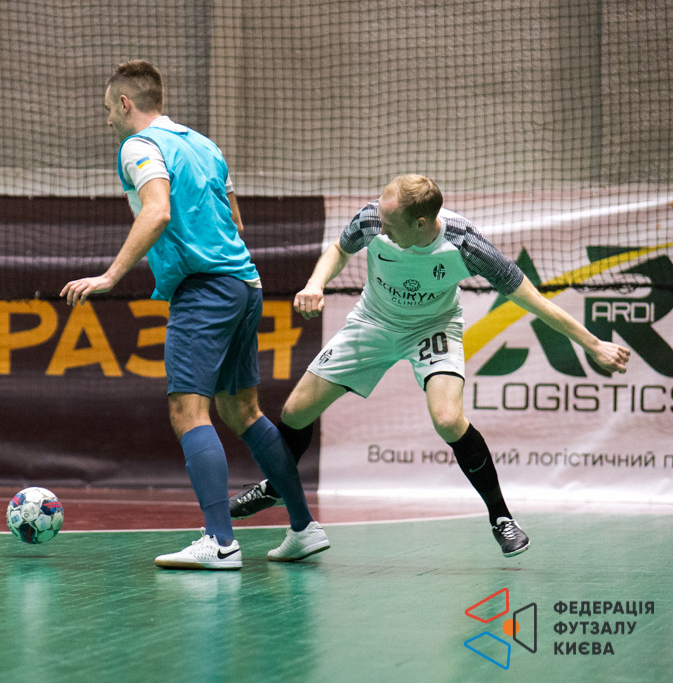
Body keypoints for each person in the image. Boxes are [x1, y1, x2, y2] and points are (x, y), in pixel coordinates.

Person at [230, 174, 632, 557]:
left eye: (390, 223)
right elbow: (339, 249)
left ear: (421, 222)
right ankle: (276, 486)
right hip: (373, 322)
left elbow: (534, 301)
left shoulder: (467, 246)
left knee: (448, 419)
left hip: (433, 328)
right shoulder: (373, 218)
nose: (380, 226)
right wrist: (315, 284)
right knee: (295, 412)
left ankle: (502, 518)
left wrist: (594, 344)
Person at [61, 60, 329, 570]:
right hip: (245, 285)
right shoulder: (206, 145)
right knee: (242, 412)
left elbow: (157, 211)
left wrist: (110, 276)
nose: (108, 119)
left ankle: (220, 542)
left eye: (108, 109)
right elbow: (236, 222)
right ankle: (303, 527)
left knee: (188, 411)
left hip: (204, 289)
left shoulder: (138, 146)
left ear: (125, 103)